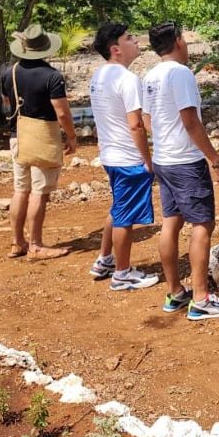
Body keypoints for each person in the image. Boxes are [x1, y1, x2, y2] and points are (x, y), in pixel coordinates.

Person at [143, 22, 219, 320]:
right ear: (178, 41)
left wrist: (163, 141)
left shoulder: (151, 75)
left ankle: (176, 292)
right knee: (202, 225)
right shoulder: (181, 73)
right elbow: (191, 121)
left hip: (164, 158)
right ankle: (201, 298)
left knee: (171, 221)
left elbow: (147, 119)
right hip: (186, 161)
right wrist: (215, 160)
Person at [87, 23, 159, 291]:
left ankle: (105, 259)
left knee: (118, 208)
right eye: (129, 38)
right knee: (125, 217)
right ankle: (122, 273)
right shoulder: (128, 80)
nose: (136, 41)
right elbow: (136, 124)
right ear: (116, 49)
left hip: (110, 154)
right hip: (128, 158)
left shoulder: (98, 76)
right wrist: (147, 159)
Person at [0, 24, 76, 260]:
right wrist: (72, 136)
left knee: (21, 189)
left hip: (18, 136)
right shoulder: (52, 76)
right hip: (44, 137)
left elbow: (5, 104)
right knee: (39, 193)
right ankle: (36, 244)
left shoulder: (8, 72)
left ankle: (17, 242)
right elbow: (62, 112)